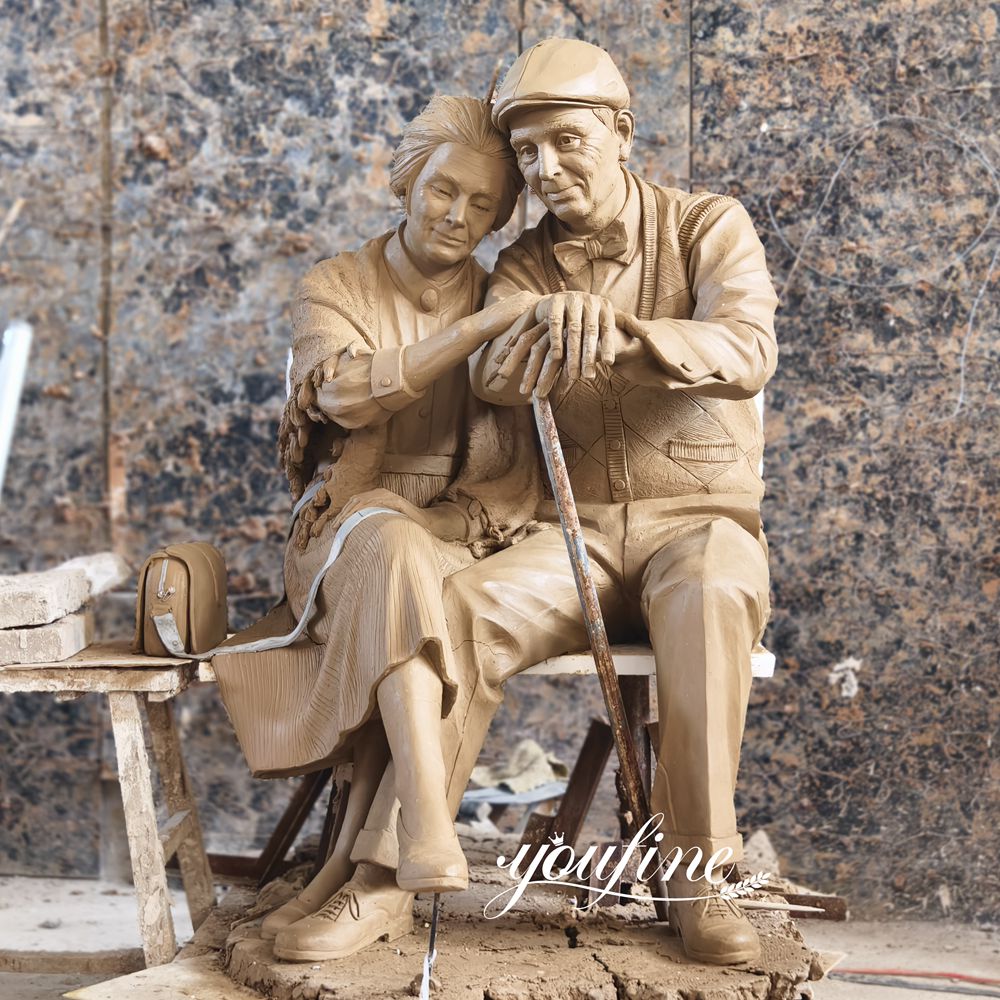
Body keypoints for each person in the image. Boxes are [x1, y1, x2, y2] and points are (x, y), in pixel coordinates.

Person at [440, 38, 780, 966]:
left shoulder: (707, 224)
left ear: (623, 133)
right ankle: (396, 866)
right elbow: (490, 376)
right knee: (460, 608)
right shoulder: (523, 263)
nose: (545, 169)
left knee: (709, 596)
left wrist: (624, 334)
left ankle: (700, 875)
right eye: (526, 152)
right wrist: (533, 332)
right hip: (575, 536)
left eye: (567, 141)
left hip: (701, 524)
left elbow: (747, 348)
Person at [212, 94, 540, 962]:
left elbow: (514, 474)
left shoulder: (507, 290)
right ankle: (425, 824)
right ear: (406, 184)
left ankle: (349, 873)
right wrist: (474, 330)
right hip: (340, 530)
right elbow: (346, 394)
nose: (457, 216)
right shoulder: (335, 285)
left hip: (459, 530)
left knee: (415, 568)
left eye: (482, 205)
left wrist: (436, 519)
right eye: (443, 191)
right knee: (389, 548)